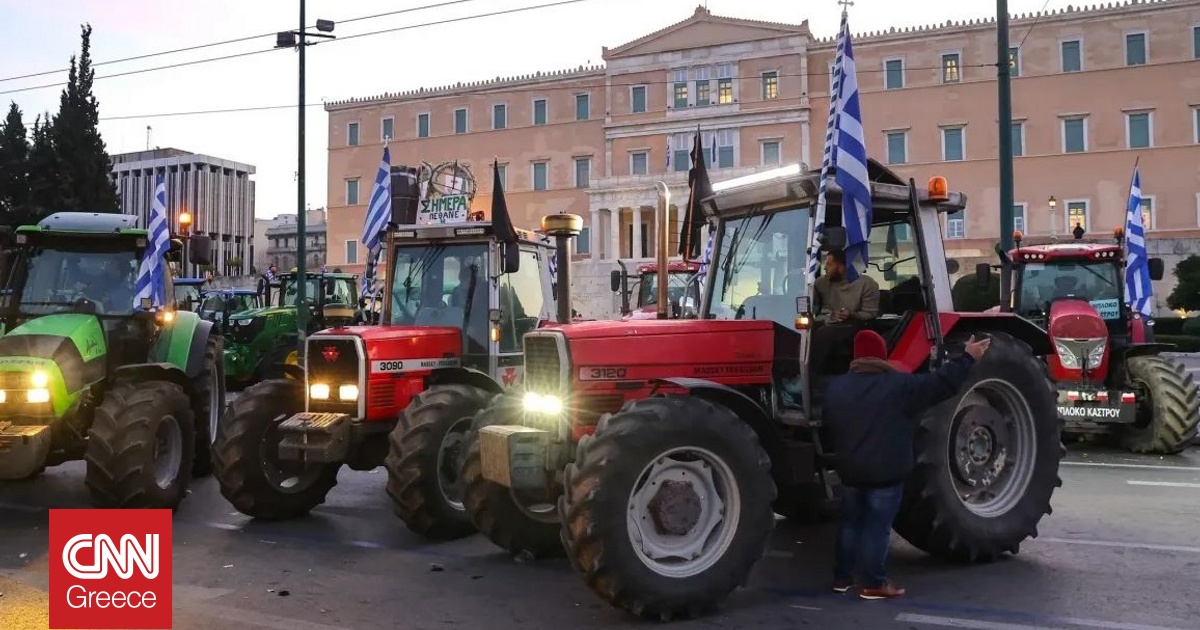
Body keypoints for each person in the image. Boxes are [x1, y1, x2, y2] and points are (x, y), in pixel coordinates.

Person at [823, 330, 990, 600]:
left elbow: (829, 424)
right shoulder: (899, 386)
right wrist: (967, 358)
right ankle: (874, 584)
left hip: (850, 471)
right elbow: (942, 384)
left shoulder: (836, 388)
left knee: (850, 524)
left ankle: (842, 579)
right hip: (886, 472)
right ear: (882, 355)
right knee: (877, 527)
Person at [809, 250, 881, 373]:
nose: (825, 268)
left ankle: (811, 375)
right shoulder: (821, 283)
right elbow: (812, 304)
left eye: (830, 264)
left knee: (824, 333)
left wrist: (851, 314)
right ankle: (798, 371)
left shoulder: (866, 284)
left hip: (857, 325)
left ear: (842, 267)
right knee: (806, 328)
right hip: (829, 322)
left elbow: (870, 314)